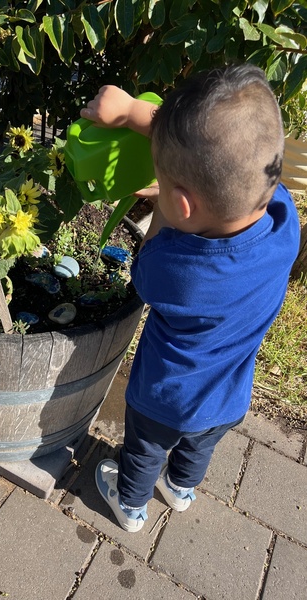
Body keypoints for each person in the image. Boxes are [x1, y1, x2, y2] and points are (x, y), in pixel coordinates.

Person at [80, 64, 301, 533]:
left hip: (164, 399)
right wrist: (138, 116)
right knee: (198, 448)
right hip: (229, 398)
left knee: (143, 450)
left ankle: (130, 504)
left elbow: (144, 271)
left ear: (180, 204)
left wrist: (161, 201)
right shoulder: (285, 222)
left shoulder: (177, 271)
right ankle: (180, 489)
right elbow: (232, 159)